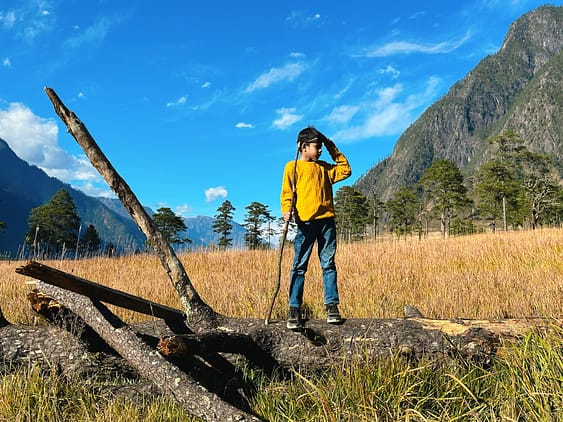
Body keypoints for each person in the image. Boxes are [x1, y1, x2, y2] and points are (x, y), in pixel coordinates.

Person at [280, 126, 352, 330]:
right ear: (303, 147)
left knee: (328, 264)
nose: (319, 150)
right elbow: (287, 193)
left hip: (326, 222)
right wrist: (287, 210)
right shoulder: (292, 167)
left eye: (321, 147)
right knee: (299, 266)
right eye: (317, 147)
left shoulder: (325, 168)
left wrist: (331, 145)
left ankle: (332, 307)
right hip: (305, 223)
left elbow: (346, 169)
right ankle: (294, 310)